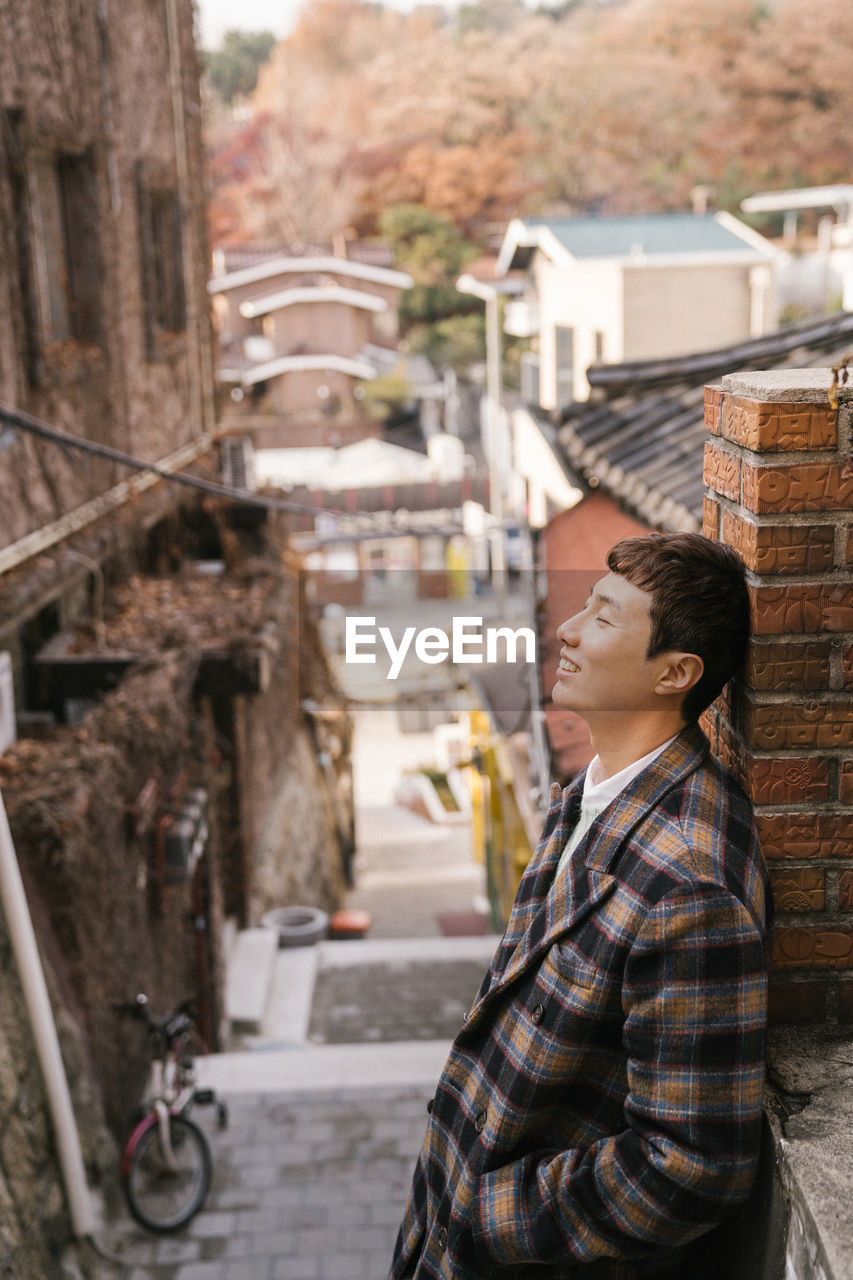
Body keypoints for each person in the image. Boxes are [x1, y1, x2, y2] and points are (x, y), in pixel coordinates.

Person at [390, 532, 772, 1280]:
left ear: (674, 673)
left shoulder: (687, 887)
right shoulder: (589, 796)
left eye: (602, 618)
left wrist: (484, 1214)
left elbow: (692, 1166)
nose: (565, 630)